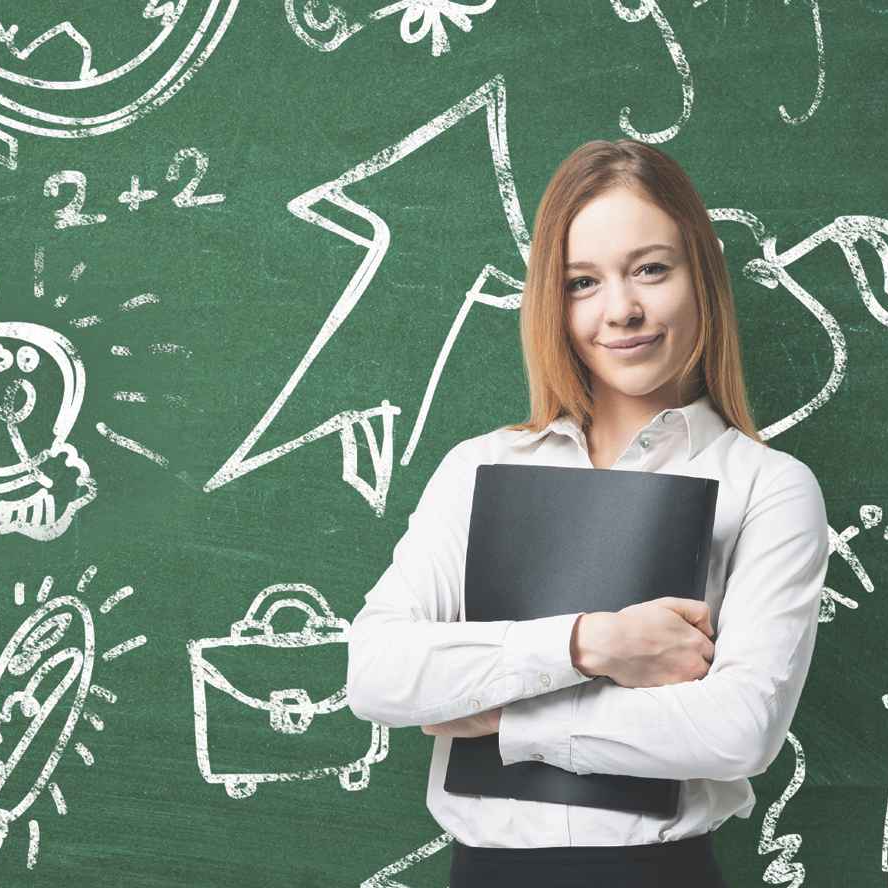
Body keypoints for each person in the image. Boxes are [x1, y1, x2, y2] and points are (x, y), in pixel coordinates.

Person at [345, 138, 831, 888]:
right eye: (582, 282)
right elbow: (377, 674)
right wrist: (587, 645)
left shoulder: (769, 486)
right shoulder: (481, 467)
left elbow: (738, 732)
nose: (622, 309)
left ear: (699, 278)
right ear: (552, 299)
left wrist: (505, 721)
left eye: (651, 269)